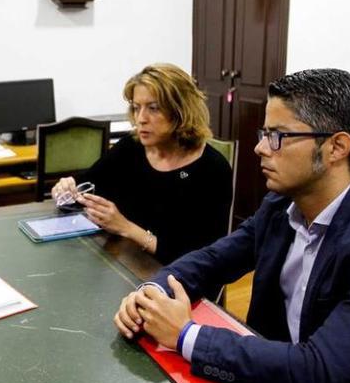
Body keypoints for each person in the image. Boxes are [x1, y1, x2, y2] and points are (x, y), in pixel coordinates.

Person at [113, 69, 350, 383]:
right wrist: (153, 294)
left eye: (278, 136)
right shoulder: (282, 205)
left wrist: (187, 336)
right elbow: (213, 260)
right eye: (263, 133)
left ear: (337, 147)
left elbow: (321, 372)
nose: (261, 149)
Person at [51, 63, 232, 266]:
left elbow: (202, 257)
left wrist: (126, 228)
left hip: (176, 279)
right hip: (126, 263)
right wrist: (66, 188)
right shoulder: (131, 147)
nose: (141, 119)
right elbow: (87, 187)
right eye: (137, 108)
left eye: (153, 108)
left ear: (180, 111)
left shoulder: (212, 169)